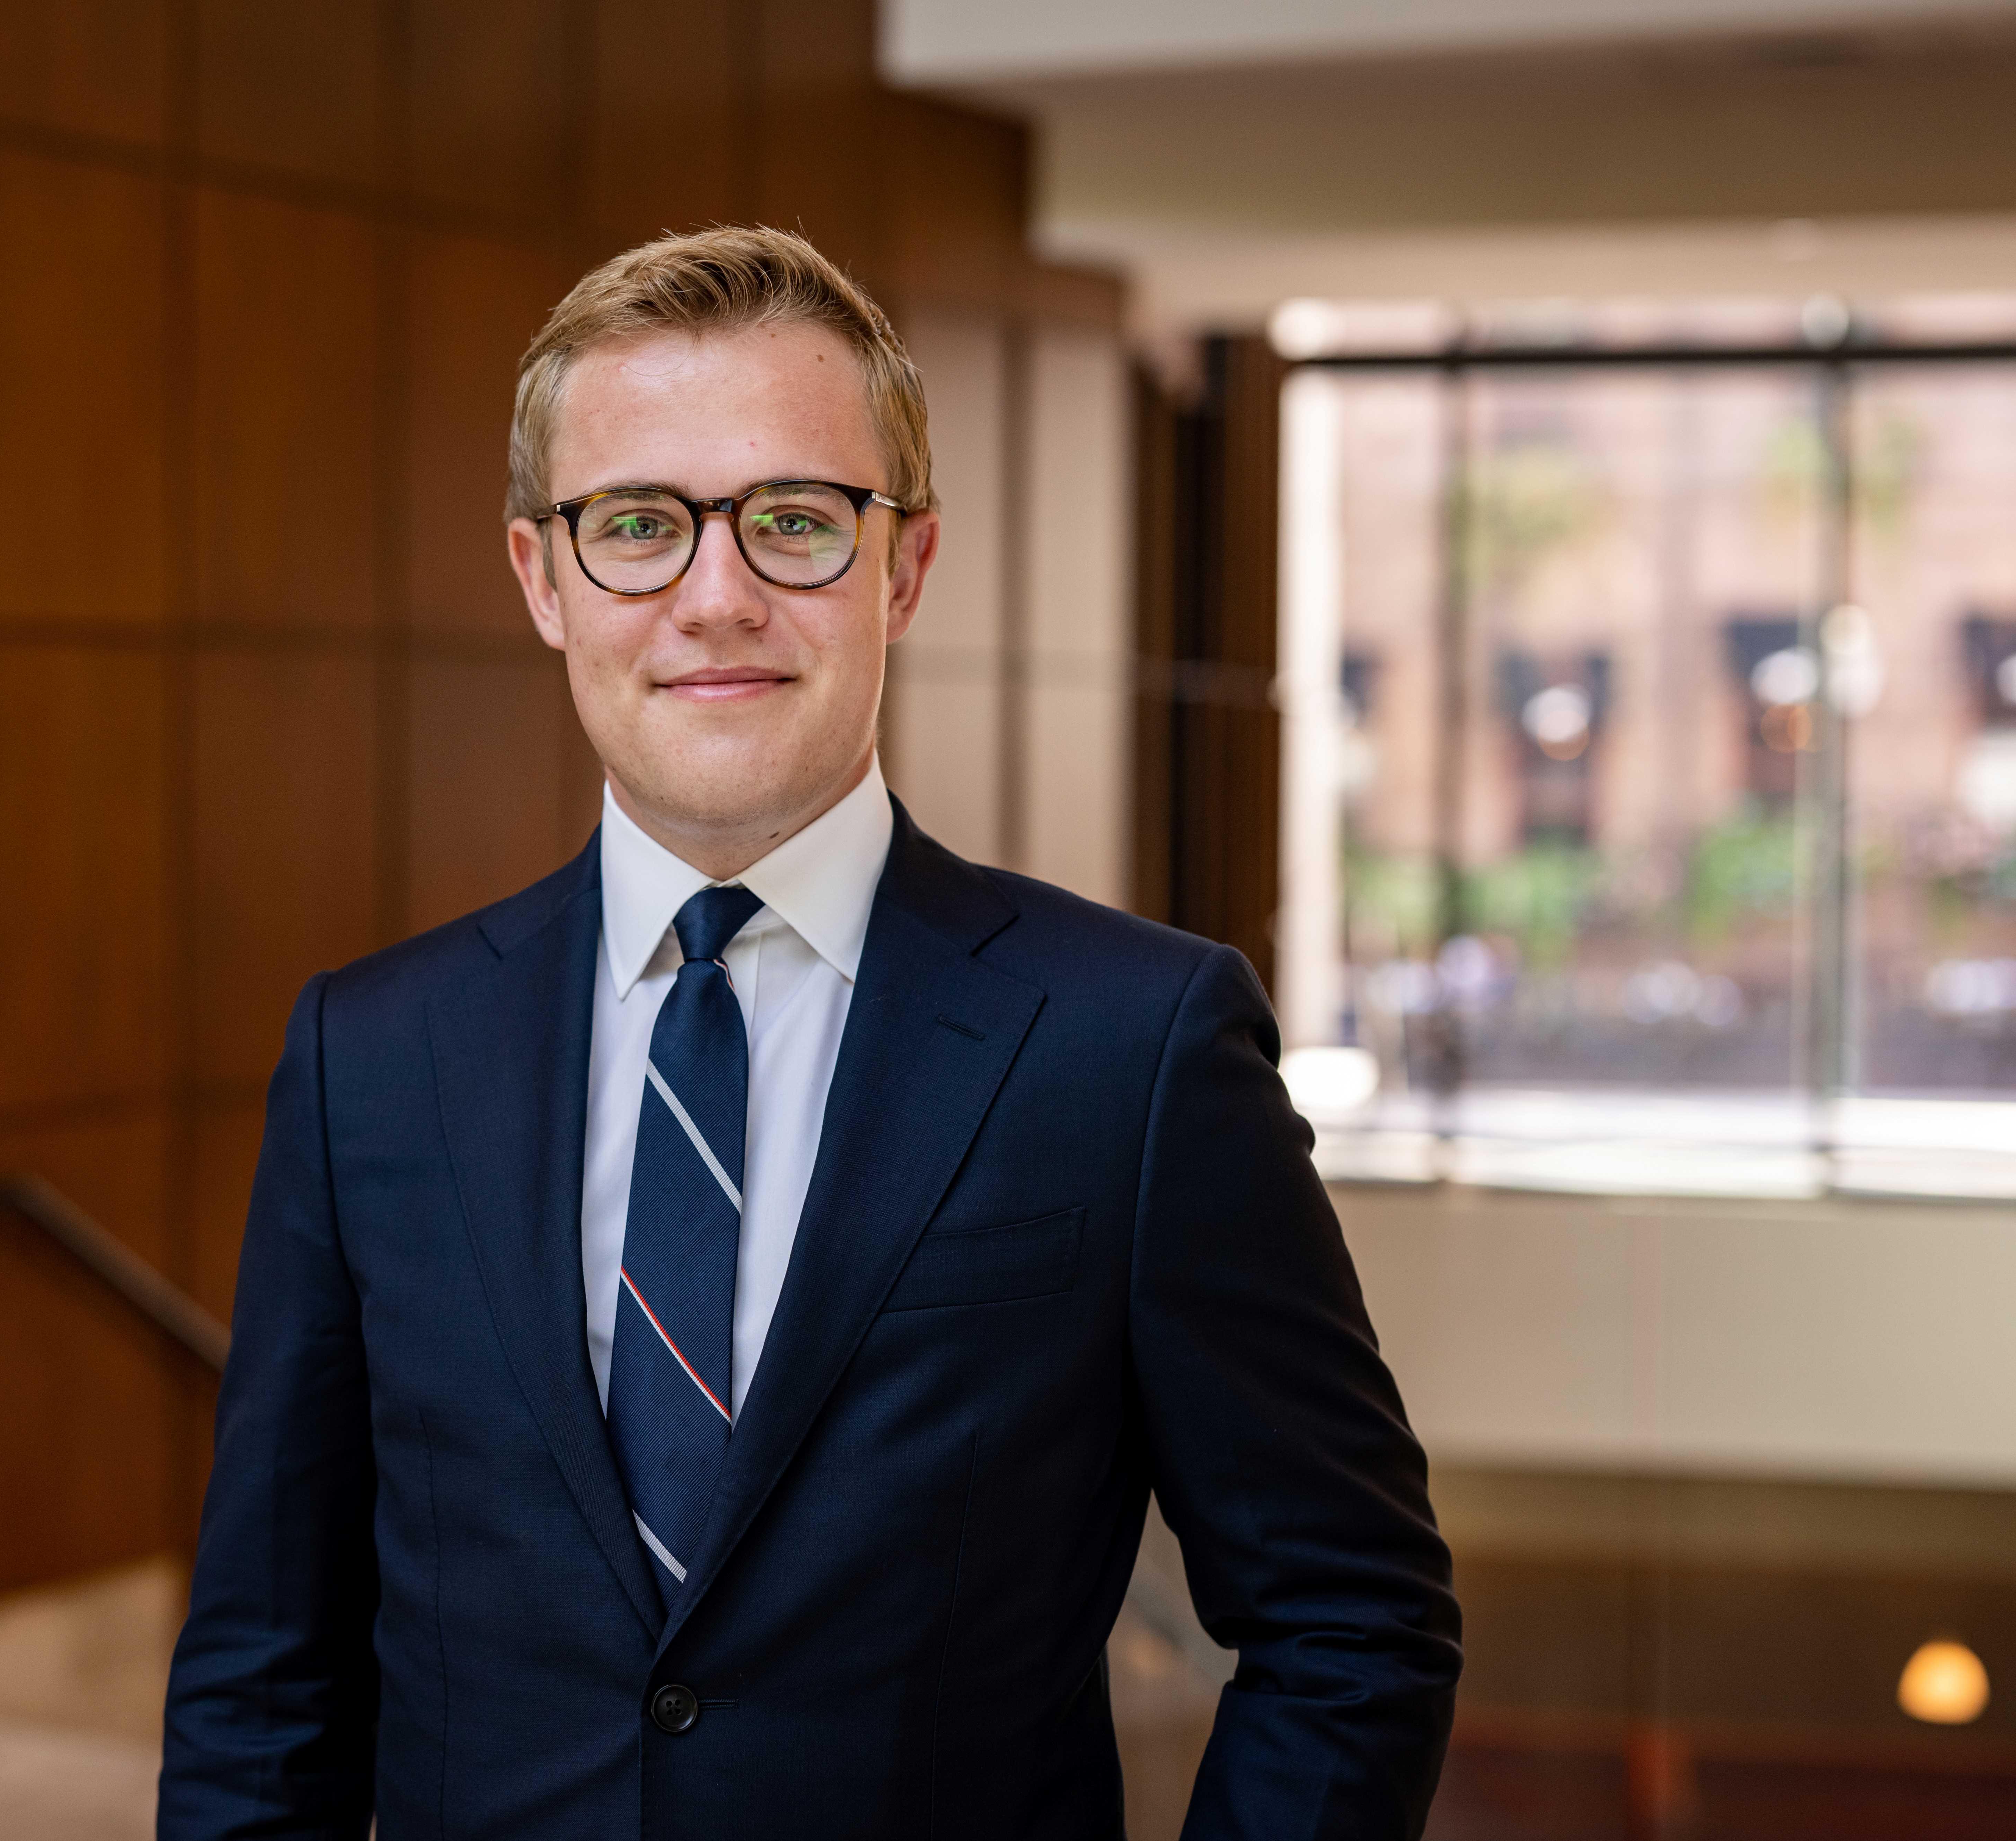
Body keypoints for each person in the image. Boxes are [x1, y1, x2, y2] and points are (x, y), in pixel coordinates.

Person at [158, 225, 1459, 1840]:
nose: (716, 597)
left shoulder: (1131, 1047)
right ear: (541, 579)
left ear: (902, 566)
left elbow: (1350, 1620)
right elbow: (263, 1686)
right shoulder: (373, 1056)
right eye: (636, 525)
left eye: (792, 522)